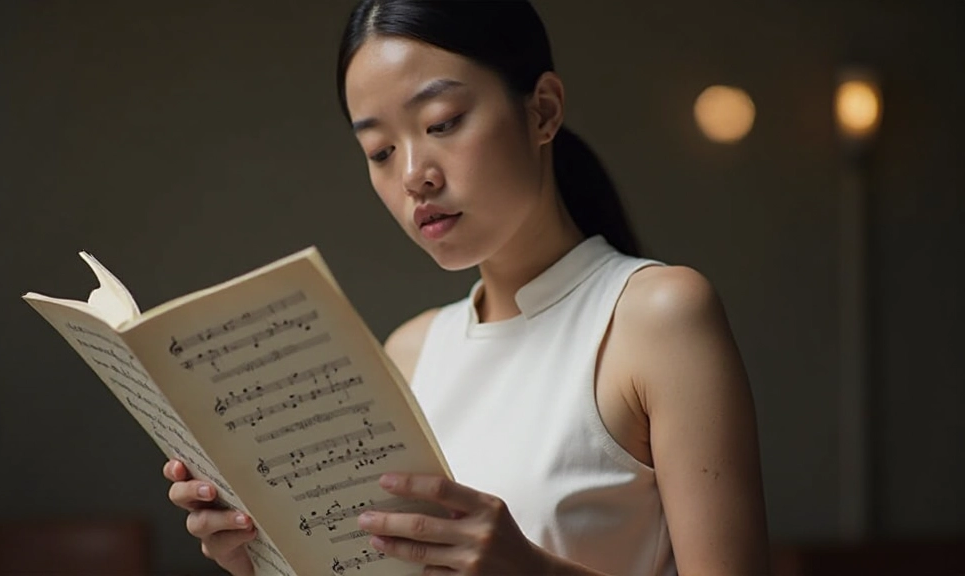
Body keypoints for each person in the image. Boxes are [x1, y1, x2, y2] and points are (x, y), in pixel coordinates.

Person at [163, 1, 770, 574]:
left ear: (543, 110)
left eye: (442, 123)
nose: (412, 176)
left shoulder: (657, 316)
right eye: (379, 150)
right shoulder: (411, 350)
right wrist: (258, 556)